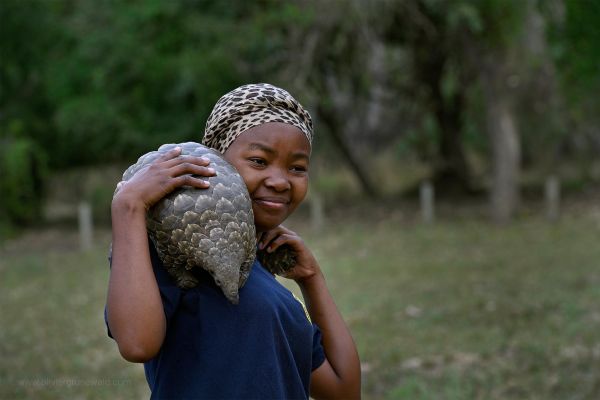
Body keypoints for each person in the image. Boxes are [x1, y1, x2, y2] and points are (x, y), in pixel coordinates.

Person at [105, 83, 361, 399]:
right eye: (259, 161)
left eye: (297, 167)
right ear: (217, 161)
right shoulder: (176, 249)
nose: (280, 181)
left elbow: (343, 390)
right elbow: (137, 343)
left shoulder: (276, 297)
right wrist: (129, 205)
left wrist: (312, 280)